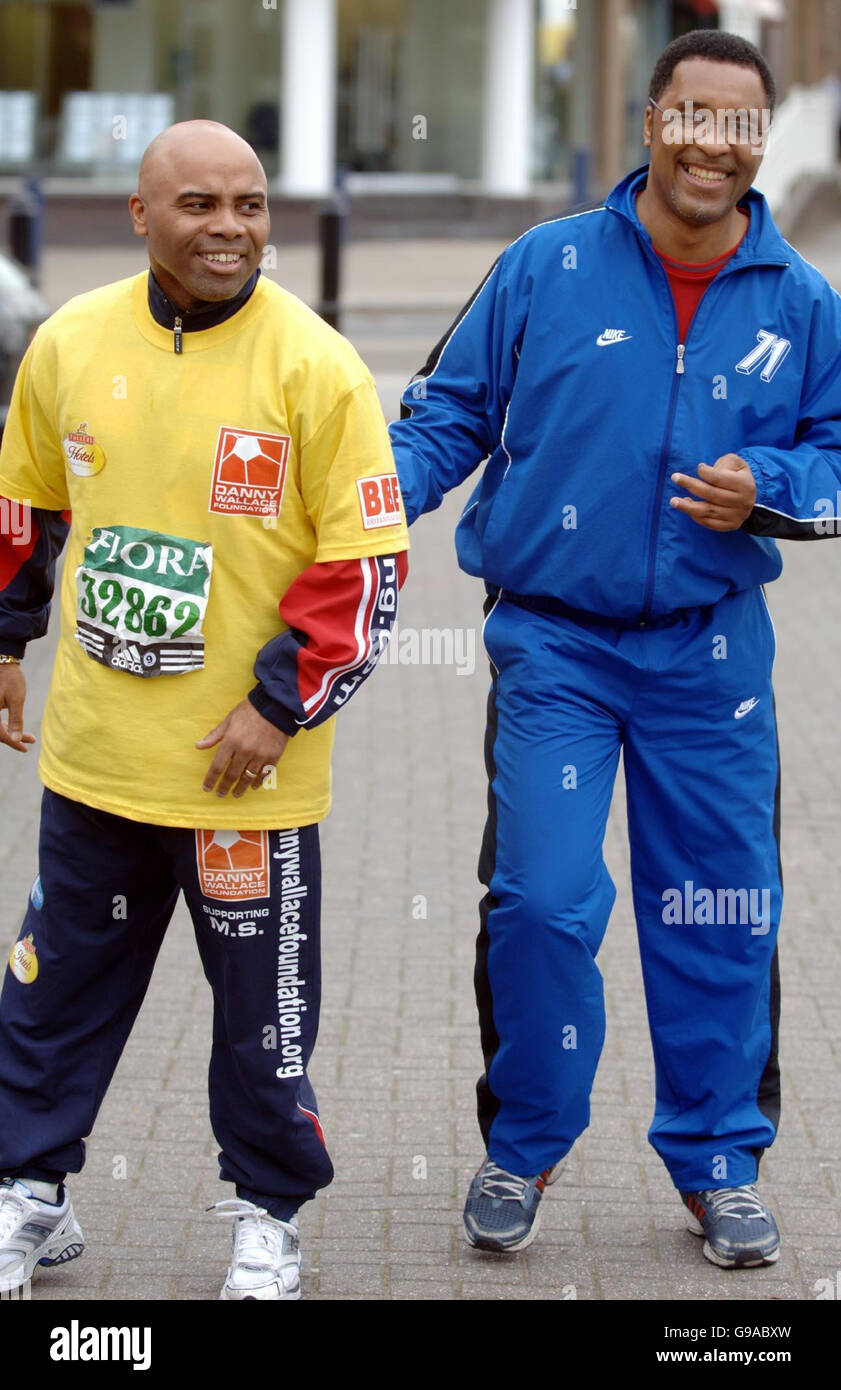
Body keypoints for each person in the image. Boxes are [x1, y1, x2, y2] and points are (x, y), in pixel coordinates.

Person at [388, 29, 841, 1269]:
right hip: (556, 647)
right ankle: (521, 1145)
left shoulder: (803, 302)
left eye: (740, 123)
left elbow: (840, 455)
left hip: (711, 663)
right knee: (538, 899)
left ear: (759, 140)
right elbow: (446, 414)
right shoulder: (545, 264)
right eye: (690, 114)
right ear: (651, 122)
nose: (713, 142)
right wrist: (366, 513)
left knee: (721, 910)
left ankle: (717, 1162)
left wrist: (780, 484)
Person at [0, 120, 409, 1301]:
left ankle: (268, 1217)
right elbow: (25, 506)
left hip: (249, 784)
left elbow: (367, 570)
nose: (230, 226)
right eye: (200, 205)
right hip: (93, 766)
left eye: (250, 202)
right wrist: (6, 642)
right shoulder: (70, 341)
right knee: (49, 990)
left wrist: (277, 707)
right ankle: (31, 1190)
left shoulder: (315, 366)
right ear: (141, 215)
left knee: (260, 1027)